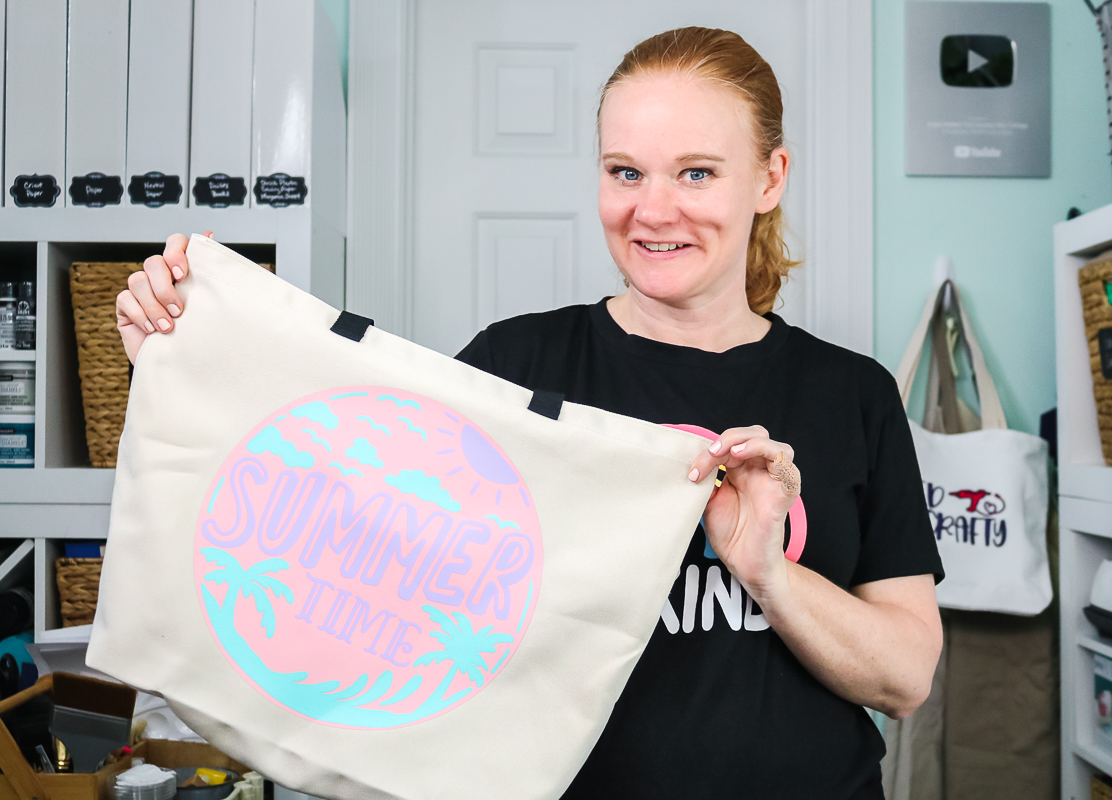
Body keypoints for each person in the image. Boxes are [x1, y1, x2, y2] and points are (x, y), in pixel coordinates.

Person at [116, 26, 942, 800]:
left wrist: (767, 570)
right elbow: (343, 541)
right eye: (626, 172)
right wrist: (182, 362)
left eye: (696, 172)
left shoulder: (851, 394)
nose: (652, 211)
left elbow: (905, 681)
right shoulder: (518, 369)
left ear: (769, 178)